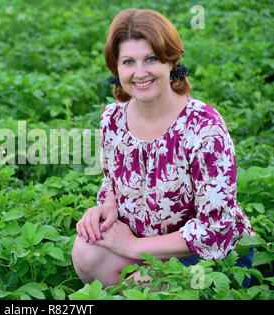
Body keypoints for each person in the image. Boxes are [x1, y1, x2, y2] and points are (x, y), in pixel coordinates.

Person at [71, 8, 256, 288]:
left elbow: (215, 230)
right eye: (128, 62)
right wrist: (107, 208)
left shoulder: (203, 126)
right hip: (146, 243)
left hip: (208, 255)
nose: (140, 72)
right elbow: (111, 181)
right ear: (116, 69)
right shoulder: (113, 118)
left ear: (171, 61)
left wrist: (132, 246)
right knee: (86, 251)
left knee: (140, 284)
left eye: (151, 59)